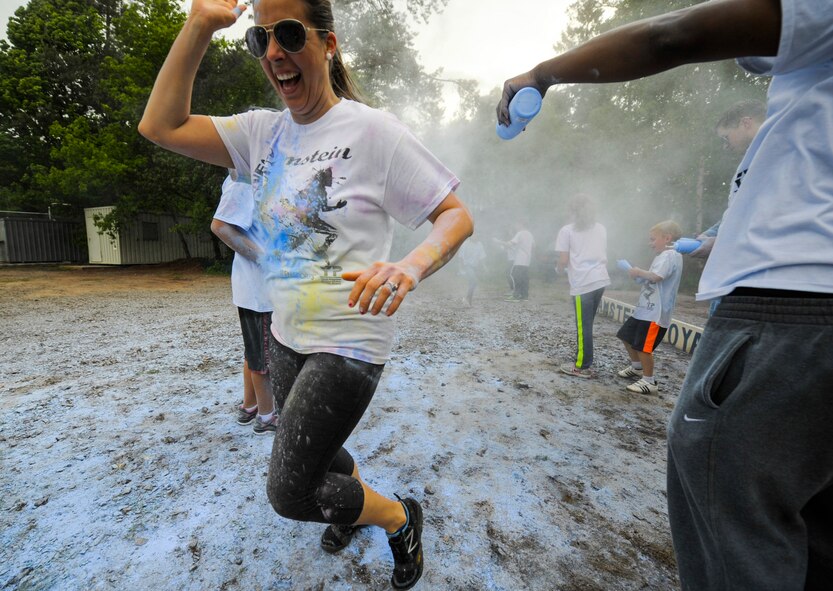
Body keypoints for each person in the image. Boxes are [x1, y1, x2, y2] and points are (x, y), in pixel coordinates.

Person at [498, 1, 833, 588]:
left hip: (790, 304)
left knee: (733, 522)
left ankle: (591, 365)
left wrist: (541, 74)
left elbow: (672, 34)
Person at [138, 1, 474, 588]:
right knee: (323, 456)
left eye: (290, 34)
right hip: (285, 331)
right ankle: (354, 506)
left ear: (328, 44)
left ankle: (397, 516)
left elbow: (454, 217)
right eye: (260, 38)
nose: (273, 51)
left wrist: (409, 267)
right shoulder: (260, 134)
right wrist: (198, 25)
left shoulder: (374, 131)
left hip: (350, 341)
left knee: (289, 492)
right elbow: (159, 126)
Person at [211, 175, 277, 434]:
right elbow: (220, 227)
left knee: (254, 352)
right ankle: (266, 416)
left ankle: (250, 406)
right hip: (259, 291)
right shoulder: (244, 182)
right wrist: (267, 260)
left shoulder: (239, 179)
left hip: (253, 290)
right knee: (263, 357)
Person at [688, 99, 765, 315]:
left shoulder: (776, 154)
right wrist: (711, 234)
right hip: (732, 275)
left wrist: (720, 242)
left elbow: (768, 215)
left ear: (746, 123)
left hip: (753, 281)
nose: (725, 145)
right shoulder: (749, 162)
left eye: (726, 137)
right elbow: (737, 211)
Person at [615, 221, 683, 395]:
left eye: (653, 239)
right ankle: (636, 367)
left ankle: (649, 381)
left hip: (656, 313)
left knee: (644, 347)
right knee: (625, 336)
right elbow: (651, 279)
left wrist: (638, 271)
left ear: (667, 238)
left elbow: (657, 276)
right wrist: (638, 276)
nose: (650, 243)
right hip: (644, 309)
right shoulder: (662, 256)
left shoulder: (670, 255)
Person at [555, 194, 610, 378]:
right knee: (587, 323)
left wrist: (558, 269)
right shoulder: (601, 228)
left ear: (572, 211)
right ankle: (585, 359)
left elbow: (563, 259)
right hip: (600, 280)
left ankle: (581, 366)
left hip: (582, 283)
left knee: (583, 325)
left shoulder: (567, 231)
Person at [495, 220, 534, 301]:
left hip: (519, 260)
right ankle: (524, 296)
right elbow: (534, 246)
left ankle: (516, 296)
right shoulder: (530, 234)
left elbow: (509, 244)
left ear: (521, 224)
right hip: (527, 260)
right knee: (524, 278)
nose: (515, 226)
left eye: (516, 224)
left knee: (515, 276)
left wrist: (498, 241)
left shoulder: (520, 233)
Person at [458, 234, 486, 306]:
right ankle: (467, 298)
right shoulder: (465, 244)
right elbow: (461, 256)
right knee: (474, 281)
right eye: (474, 236)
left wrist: (484, 266)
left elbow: (482, 256)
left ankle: (469, 300)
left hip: (475, 266)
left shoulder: (479, 244)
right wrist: (461, 268)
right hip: (467, 266)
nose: (475, 237)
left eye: (476, 236)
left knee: (472, 283)